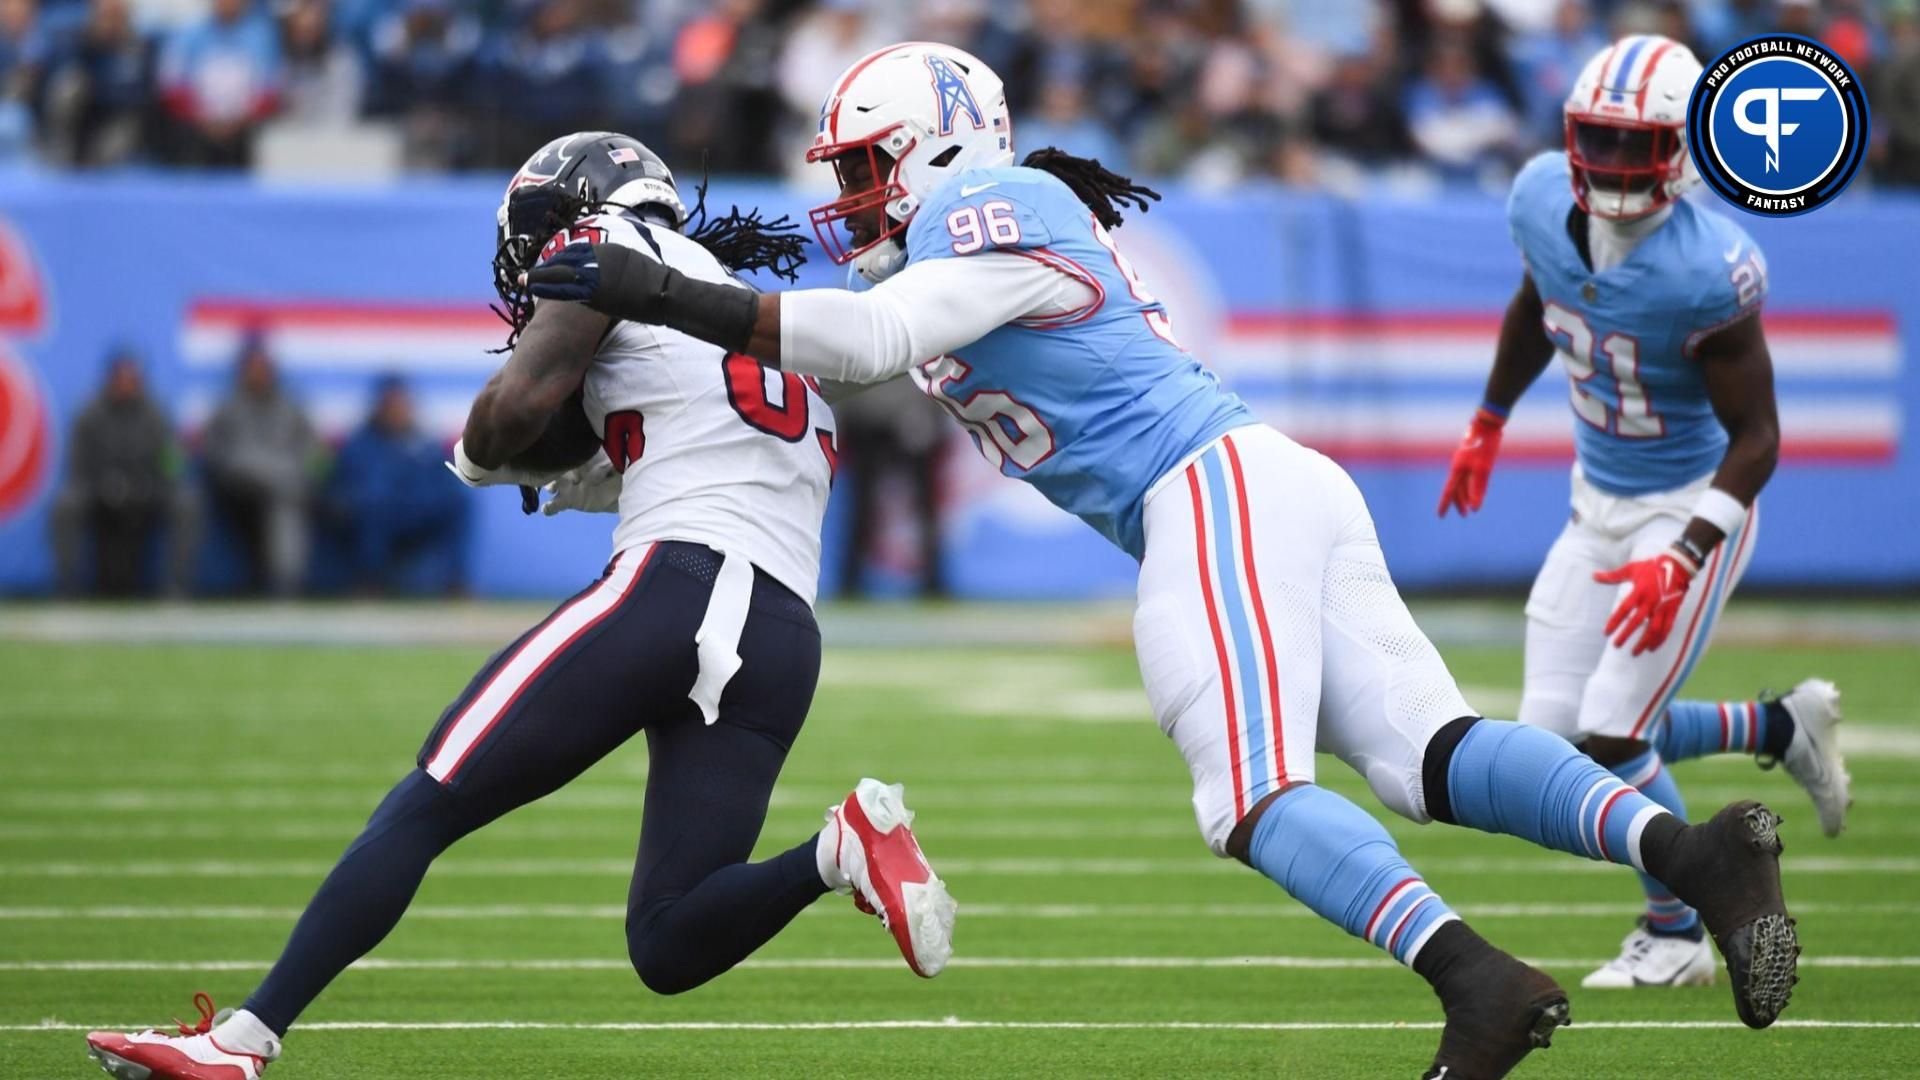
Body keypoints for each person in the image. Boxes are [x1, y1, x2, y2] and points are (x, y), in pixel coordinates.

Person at [527, 43, 1802, 1077]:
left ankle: (1476, 982)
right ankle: (1693, 859)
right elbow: (835, 367)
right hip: (1256, 485)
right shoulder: (958, 236)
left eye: (866, 166)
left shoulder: (996, 202)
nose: (850, 195)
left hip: (1209, 490)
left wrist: (652, 287)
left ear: (936, 149)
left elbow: (860, 340)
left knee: (1243, 798)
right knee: (1427, 757)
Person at [84, 131, 954, 1080]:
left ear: (571, 211)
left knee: (425, 803)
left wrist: (476, 452)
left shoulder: (611, 250)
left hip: (681, 584)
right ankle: (841, 849)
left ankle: (240, 1043)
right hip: (782, 632)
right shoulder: (740, 311)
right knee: (667, 944)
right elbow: (650, 436)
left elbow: (515, 411)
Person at [1437, 34, 1851, 992]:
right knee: (1550, 743)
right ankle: (1776, 727)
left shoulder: (1710, 266)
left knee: (1615, 733)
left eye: (1640, 146)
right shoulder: (1541, 196)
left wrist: (1685, 553)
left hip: (1688, 505)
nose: (1617, 167)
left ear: (1682, 151)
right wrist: (1488, 420)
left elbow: (1760, 440)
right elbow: (1537, 299)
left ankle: (1676, 932)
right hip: (1598, 501)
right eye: (1602, 142)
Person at [49, 348, 198, 597]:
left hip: (148, 494)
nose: (126, 385)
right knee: (66, 504)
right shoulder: (89, 415)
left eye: (132, 379)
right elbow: (77, 467)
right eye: (121, 378)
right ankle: (66, 587)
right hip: (99, 494)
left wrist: (148, 485)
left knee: (186, 503)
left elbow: (172, 465)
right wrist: (105, 485)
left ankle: (177, 587)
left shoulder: (157, 415)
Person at [324, 375, 468, 595]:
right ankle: (369, 581)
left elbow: (441, 480)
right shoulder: (361, 442)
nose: (397, 411)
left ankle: (454, 582)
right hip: (374, 516)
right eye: (391, 404)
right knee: (373, 504)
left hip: (414, 513)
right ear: (379, 407)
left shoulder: (423, 442)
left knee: (457, 502)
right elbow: (344, 486)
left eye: (401, 404)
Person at [200, 337, 317, 597]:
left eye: (262, 366)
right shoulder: (227, 407)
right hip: (236, 490)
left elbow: (311, 452)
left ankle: (285, 584)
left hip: (284, 486)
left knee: (285, 496)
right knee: (277, 485)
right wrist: (239, 469)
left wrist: (295, 473)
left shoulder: (291, 408)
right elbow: (211, 451)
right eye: (251, 367)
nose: (257, 373)